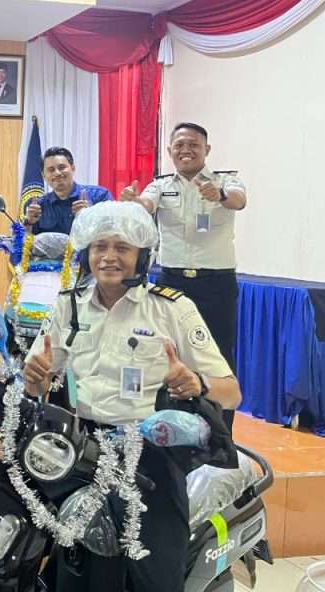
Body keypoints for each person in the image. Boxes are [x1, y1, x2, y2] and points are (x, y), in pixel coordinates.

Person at [23, 200, 241, 592]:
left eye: (122, 248)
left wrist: (196, 383)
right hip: (81, 452)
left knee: (156, 576)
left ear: (142, 256)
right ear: (87, 254)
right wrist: (34, 379)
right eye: (100, 247)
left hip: (149, 458)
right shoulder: (68, 305)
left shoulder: (171, 309)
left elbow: (232, 392)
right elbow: (37, 383)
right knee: (69, 571)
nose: (109, 257)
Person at [121, 122, 246, 428]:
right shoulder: (161, 185)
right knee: (168, 353)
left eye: (193, 144)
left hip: (216, 284)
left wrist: (218, 195)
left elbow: (238, 200)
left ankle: (220, 434)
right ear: (170, 151)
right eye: (179, 145)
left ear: (207, 149)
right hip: (172, 282)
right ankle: (173, 428)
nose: (185, 150)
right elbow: (146, 204)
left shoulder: (226, 180)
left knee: (218, 355)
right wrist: (134, 203)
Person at [24, 146, 113, 236]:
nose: (57, 173)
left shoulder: (100, 196)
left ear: (73, 168)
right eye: (51, 170)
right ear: (44, 175)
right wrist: (29, 222)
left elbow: (114, 231)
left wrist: (89, 215)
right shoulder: (38, 206)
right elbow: (26, 241)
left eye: (61, 167)